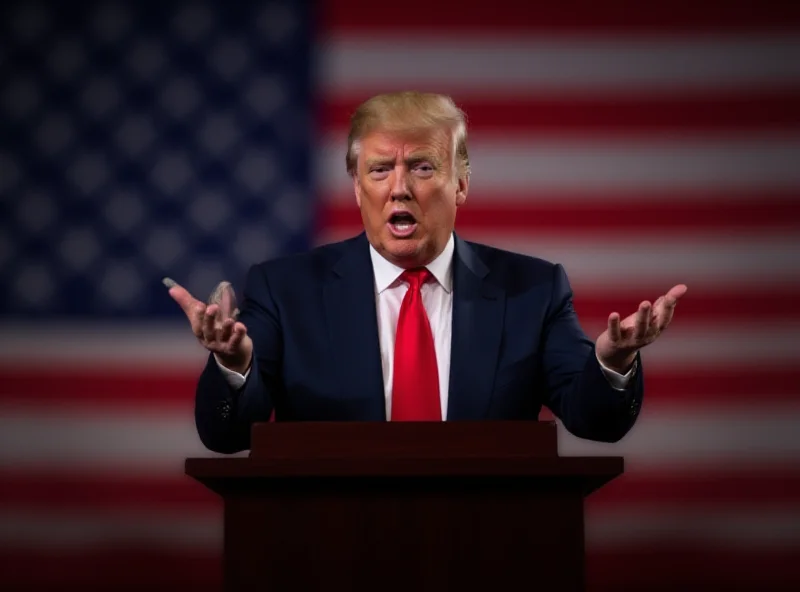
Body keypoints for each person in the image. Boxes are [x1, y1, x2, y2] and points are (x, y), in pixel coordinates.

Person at [166, 91, 687, 454]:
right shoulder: (286, 290)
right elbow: (227, 436)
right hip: (331, 547)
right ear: (357, 188)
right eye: (379, 169)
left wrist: (614, 362)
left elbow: (597, 423)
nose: (399, 189)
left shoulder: (531, 290)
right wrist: (235, 366)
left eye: (421, 167)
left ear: (460, 184)